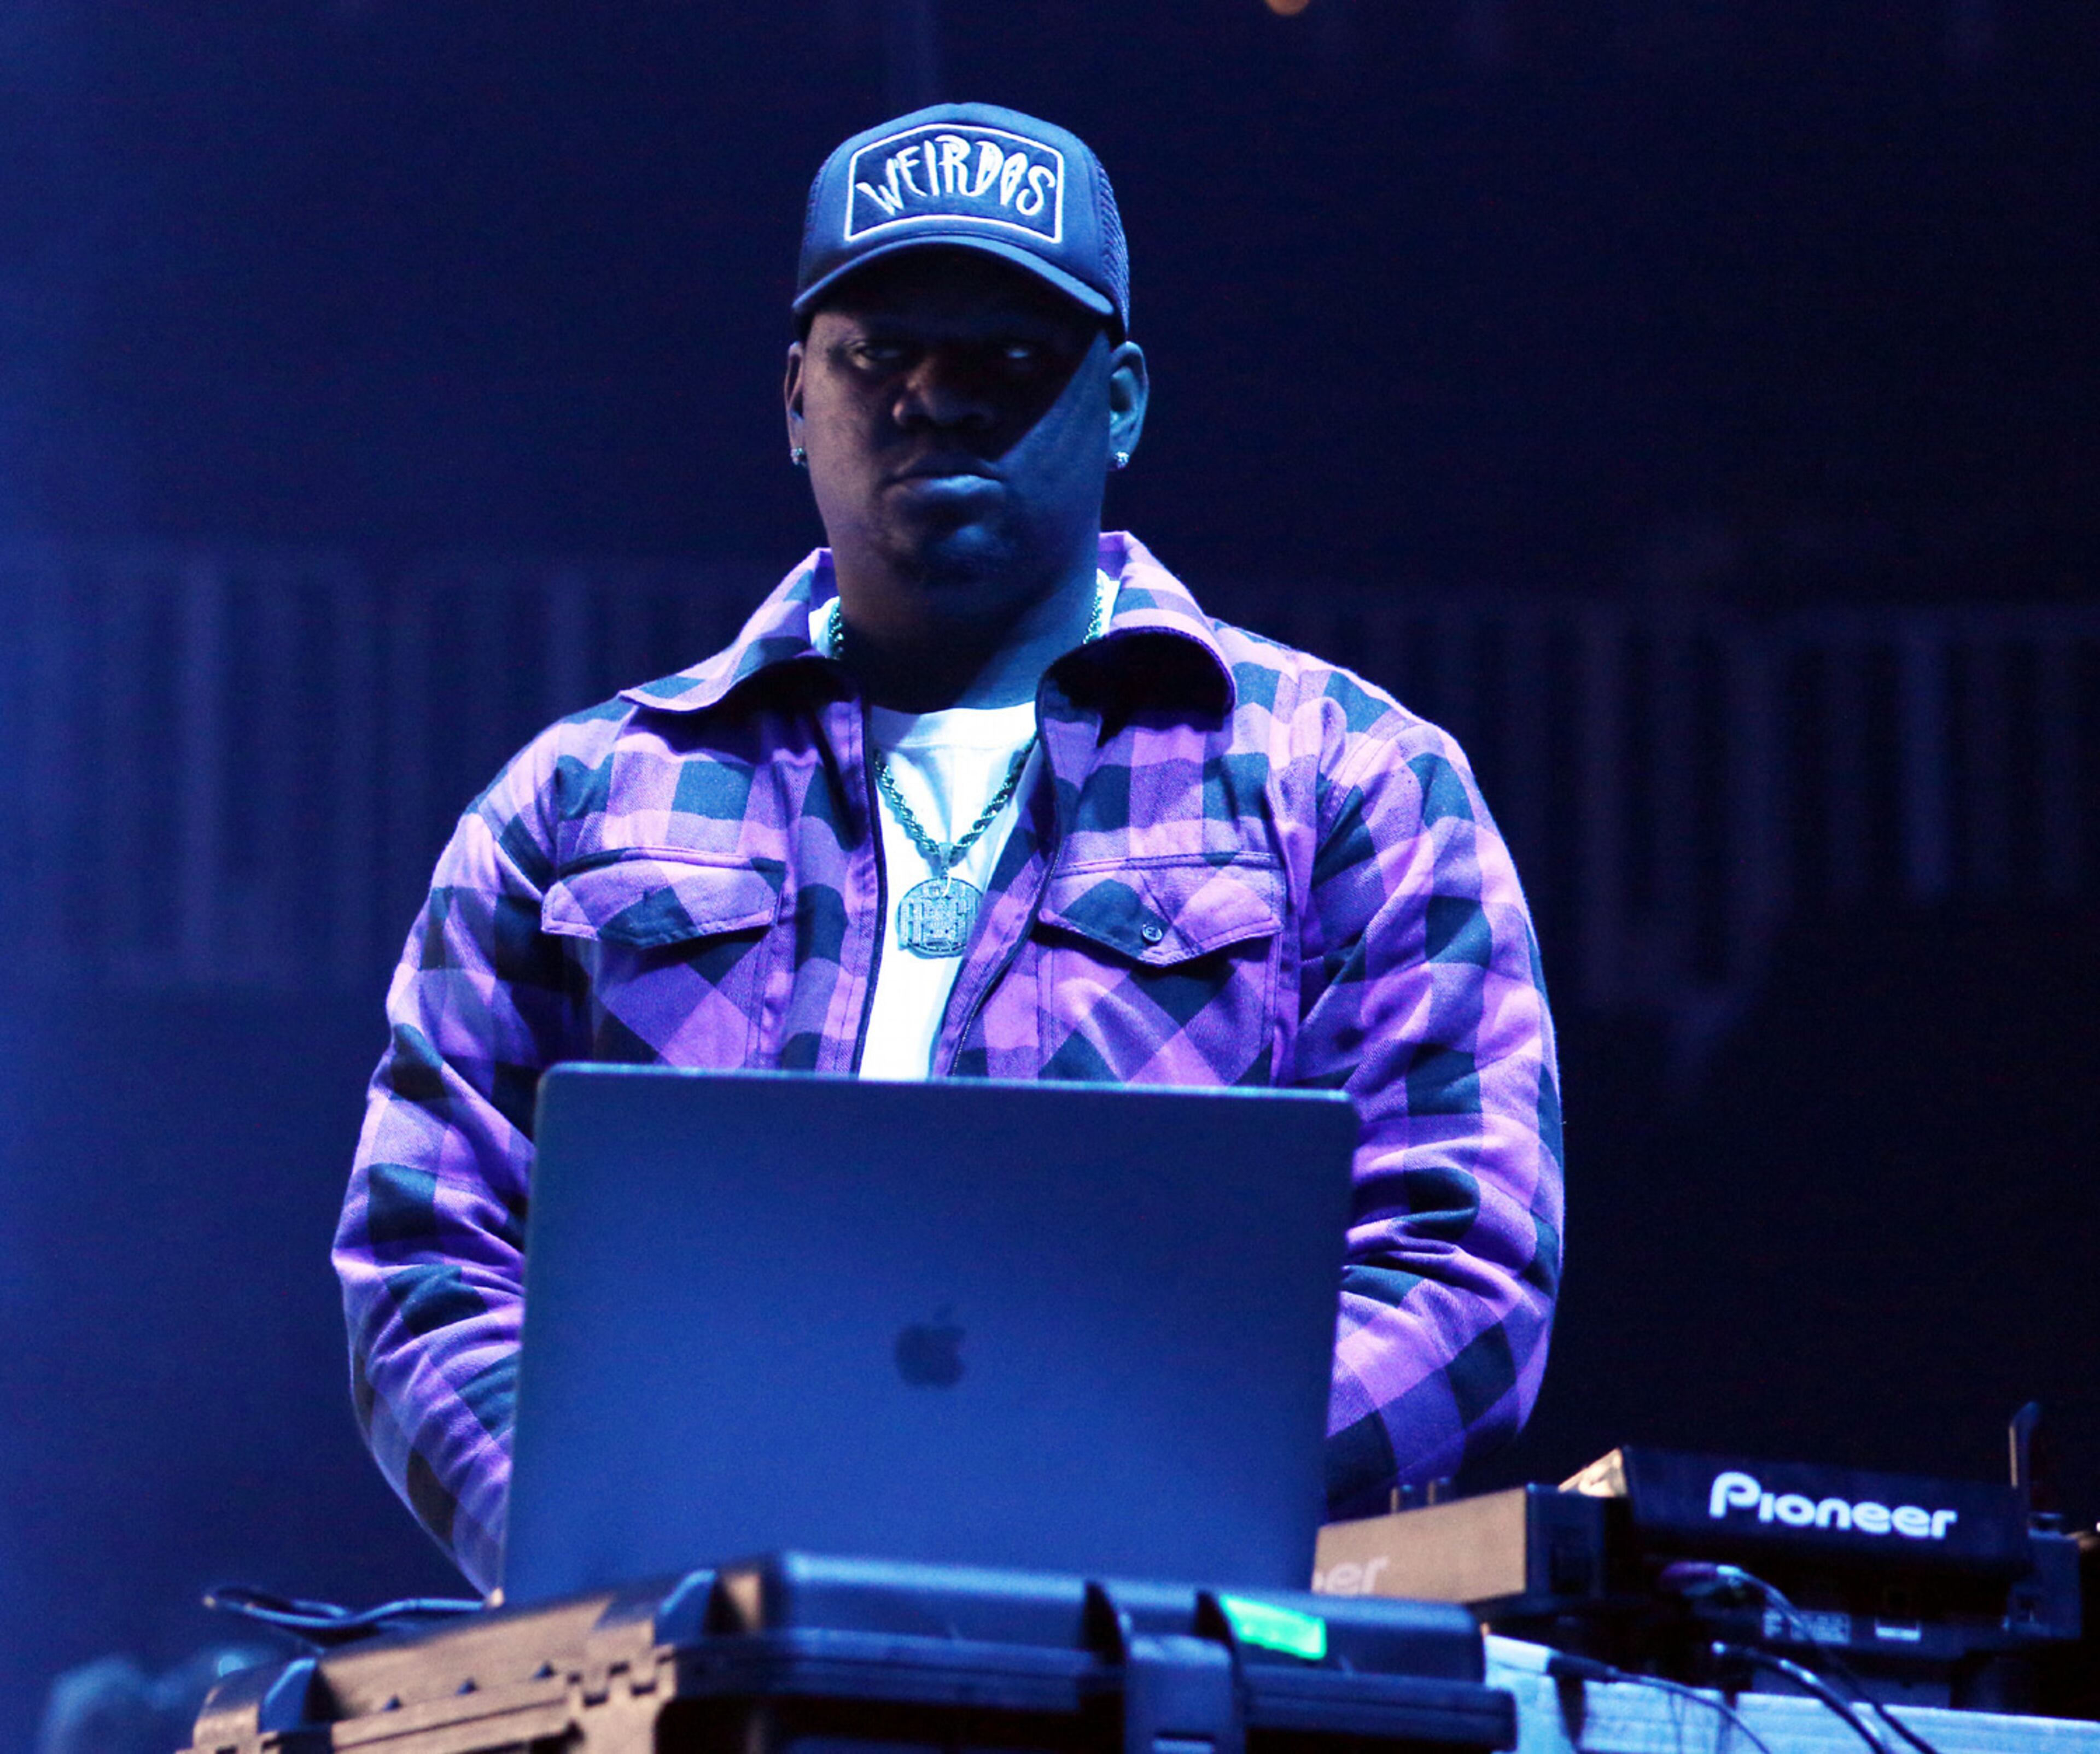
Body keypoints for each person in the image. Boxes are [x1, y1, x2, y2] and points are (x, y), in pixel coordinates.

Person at [334, 103, 1565, 1594]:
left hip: (1167, 1677)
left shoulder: (1354, 783)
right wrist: (616, 1548)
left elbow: (1464, 1270)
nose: (935, 394)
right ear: (796, 397)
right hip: (695, 1680)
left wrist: (1083, 1507)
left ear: (1120, 403)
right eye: (877, 353)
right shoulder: (571, 805)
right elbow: (426, 1260)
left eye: (1008, 359)